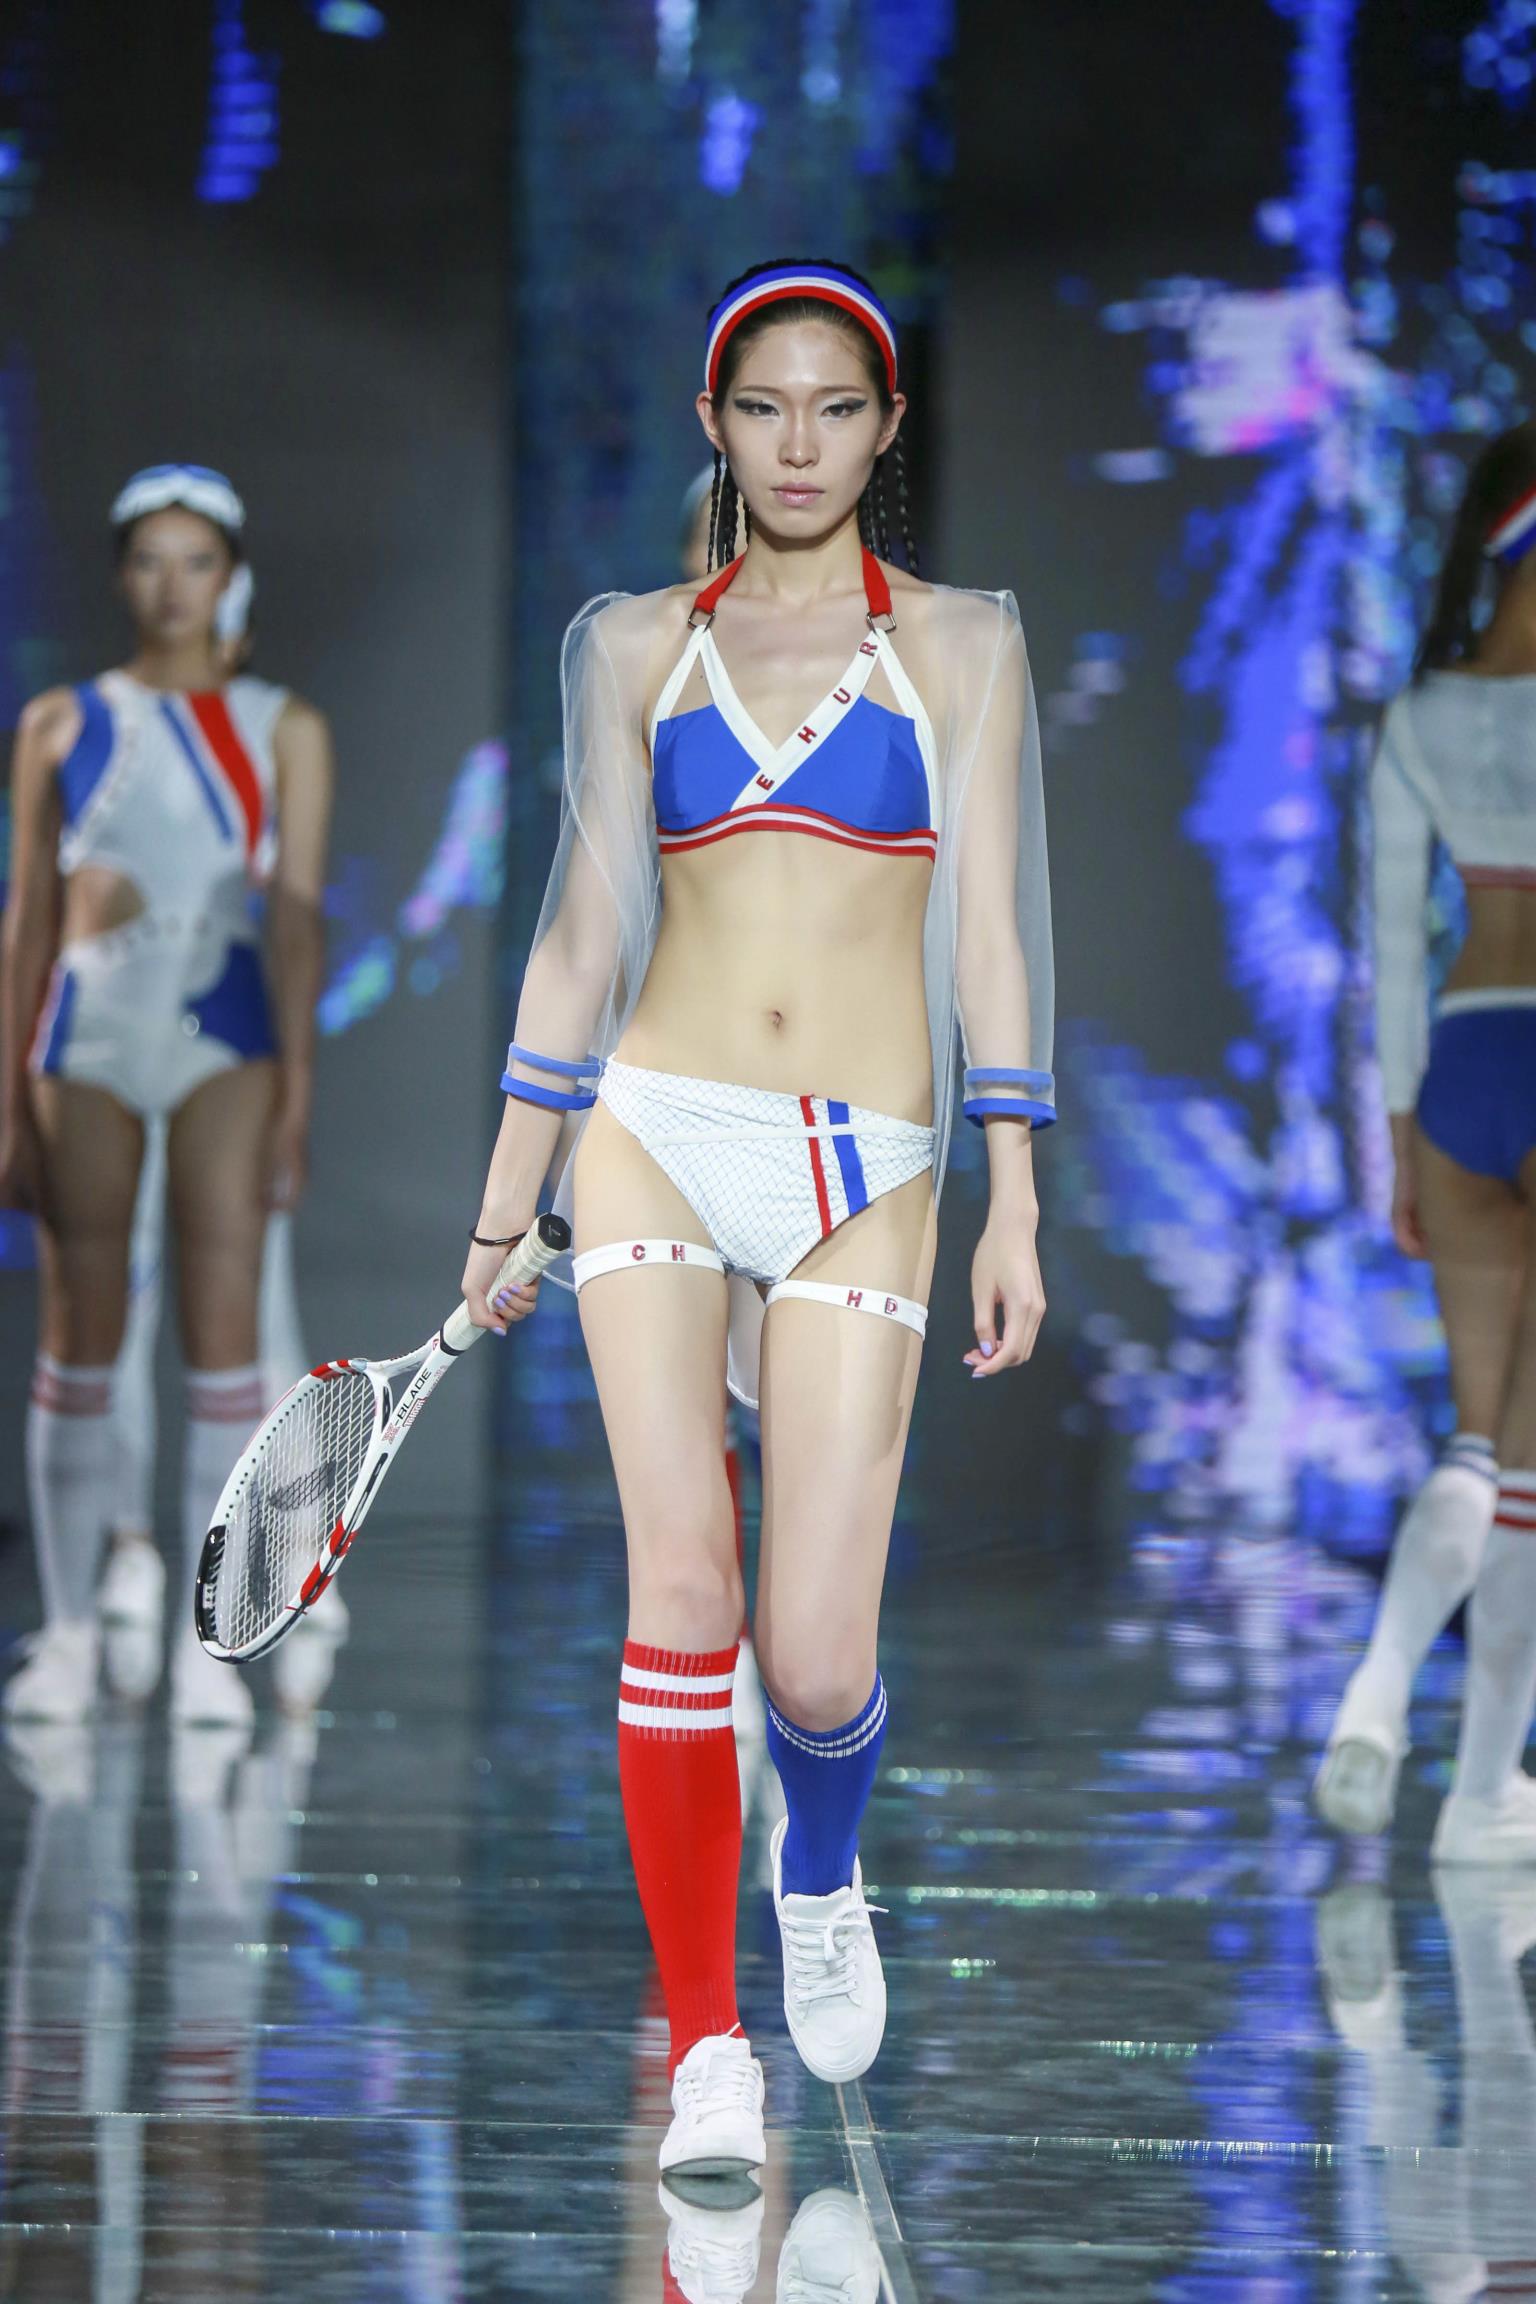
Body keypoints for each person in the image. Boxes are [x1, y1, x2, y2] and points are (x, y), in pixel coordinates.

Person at [460, 261, 1054, 2179]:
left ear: (886, 430)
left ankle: (819, 1864)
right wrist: (503, 1205)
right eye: (765, 406)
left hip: (868, 1158)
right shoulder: (631, 645)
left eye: (837, 407)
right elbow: (580, 935)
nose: (799, 442)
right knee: (683, 1595)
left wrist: (1014, 1191)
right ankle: (707, 2038)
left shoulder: (960, 645)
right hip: (655, 1126)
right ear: (717, 422)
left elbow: (989, 936)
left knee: (807, 1657)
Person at [0, 463, 334, 1726]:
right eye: (150, 560)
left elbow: (294, 921)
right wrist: (6, 1099)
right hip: (86, 1031)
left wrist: (297, 1092)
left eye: (197, 562)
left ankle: (211, 1642)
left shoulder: (282, 726)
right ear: (121, 574)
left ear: (229, 575)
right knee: (79, 1331)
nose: (172, 586)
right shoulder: (59, 722)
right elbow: (27, 922)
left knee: (224, 1335)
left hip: (224, 1032)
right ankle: (70, 1630)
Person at [1314, 420, 1536, 1859]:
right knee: (1530, 1471)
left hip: (1460, 1071)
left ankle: (1382, 1693)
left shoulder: (1423, 717)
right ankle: (1479, 1795)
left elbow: (1394, 956)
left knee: (1478, 1440)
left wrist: (1402, 1142)